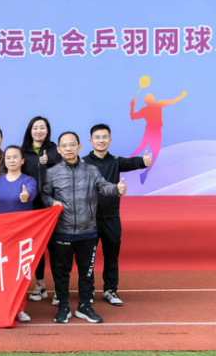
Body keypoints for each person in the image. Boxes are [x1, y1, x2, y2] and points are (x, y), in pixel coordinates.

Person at [42, 131, 126, 324]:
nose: (68, 148)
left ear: (79, 147)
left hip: (87, 232)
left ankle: (85, 306)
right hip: (62, 232)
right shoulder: (52, 173)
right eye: (64, 145)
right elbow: (45, 195)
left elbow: (104, 187)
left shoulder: (91, 170)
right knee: (61, 273)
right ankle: (63, 306)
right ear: (59, 149)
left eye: (72, 144)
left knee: (86, 273)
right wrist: (52, 202)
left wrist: (116, 189)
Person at [83, 124, 151, 306]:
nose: (101, 140)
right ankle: (87, 291)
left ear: (110, 140)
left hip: (111, 218)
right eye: (97, 137)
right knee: (87, 259)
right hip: (89, 219)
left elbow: (130, 163)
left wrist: (143, 161)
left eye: (105, 137)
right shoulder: (83, 162)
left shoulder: (115, 161)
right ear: (91, 141)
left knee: (111, 256)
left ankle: (110, 290)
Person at [0, 145, 36, 322]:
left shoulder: (29, 180)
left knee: (19, 272)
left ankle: (19, 308)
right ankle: (2, 306)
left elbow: (31, 193)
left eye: (15, 157)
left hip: (22, 234)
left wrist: (25, 196)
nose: (11, 160)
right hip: (1, 234)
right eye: (8, 157)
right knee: (2, 271)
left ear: (22, 160)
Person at [21, 116, 61, 303]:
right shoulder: (23, 152)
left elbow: (65, 170)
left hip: (52, 206)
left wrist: (50, 162)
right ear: (30, 131)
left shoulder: (55, 149)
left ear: (47, 130)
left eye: (42, 127)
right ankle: (40, 286)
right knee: (35, 248)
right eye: (35, 127)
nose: (38, 131)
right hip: (31, 207)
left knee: (55, 248)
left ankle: (59, 288)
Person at [129, 86, 186, 184]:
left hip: (154, 132)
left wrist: (132, 106)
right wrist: (182, 96)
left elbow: (132, 116)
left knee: (147, 151)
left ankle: (143, 172)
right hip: (153, 132)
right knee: (146, 151)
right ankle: (132, 161)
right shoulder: (156, 105)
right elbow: (172, 101)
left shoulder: (150, 107)